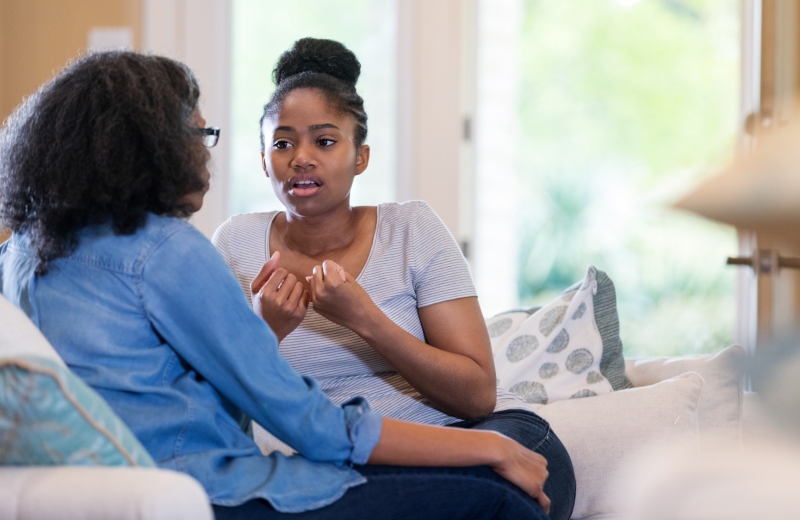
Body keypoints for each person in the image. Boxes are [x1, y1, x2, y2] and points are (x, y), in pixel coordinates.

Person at [0, 50, 552, 520]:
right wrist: (488, 445)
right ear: (151, 145)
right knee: (504, 497)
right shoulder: (170, 250)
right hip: (212, 490)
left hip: (135, 480)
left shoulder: (19, 253)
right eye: (199, 135)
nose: (204, 155)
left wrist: (264, 333)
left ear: (361, 156)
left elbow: (178, 396)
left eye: (325, 141)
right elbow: (313, 427)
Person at [212, 38, 576, 520]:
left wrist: (365, 319)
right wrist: (265, 332)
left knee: (497, 488)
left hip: (477, 434)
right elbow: (218, 397)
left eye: (324, 141)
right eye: (282, 143)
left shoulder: (411, 228)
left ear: (360, 156)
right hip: (352, 458)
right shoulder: (235, 243)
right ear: (264, 160)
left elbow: (476, 395)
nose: (301, 157)